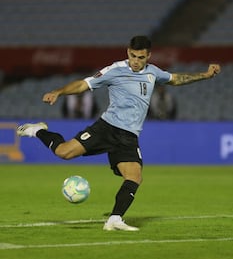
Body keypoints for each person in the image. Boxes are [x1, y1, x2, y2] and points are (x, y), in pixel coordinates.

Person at [17, 35, 221, 231]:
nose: (136, 61)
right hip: (107, 128)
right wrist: (58, 92)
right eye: (133, 56)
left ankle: (114, 219)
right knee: (63, 152)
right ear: (128, 52)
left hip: (128, 137)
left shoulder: (153, 72)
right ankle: (38, 131)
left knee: (134, 177)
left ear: (148, 56)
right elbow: (84, 84)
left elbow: (176, 79)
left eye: (141, 57)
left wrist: (205, 75)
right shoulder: (115, 69)